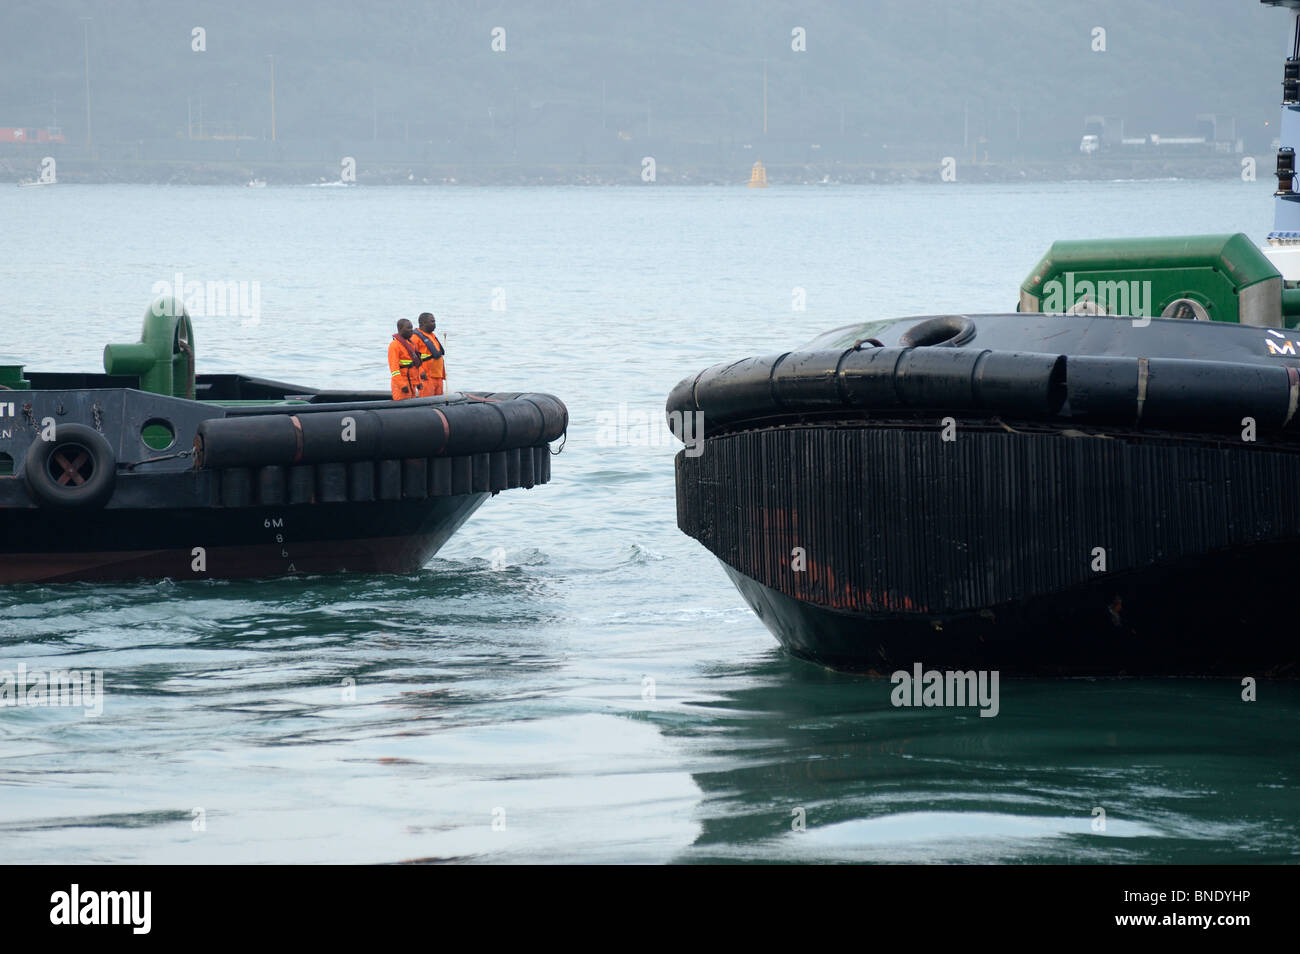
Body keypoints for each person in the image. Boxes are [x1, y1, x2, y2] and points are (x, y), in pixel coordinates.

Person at [411, 312, 446, 396]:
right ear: (423, 323)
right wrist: (420, 371)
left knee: (439, 401)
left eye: (434, 321)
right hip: (426, 377)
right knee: (427, 401)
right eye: (432, 321)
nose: (434, 324)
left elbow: (438, 356)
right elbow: (411, 357)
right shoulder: (415, 338)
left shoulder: (432, 336)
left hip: (438, 376)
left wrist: (443, 374)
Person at [387, 319, 423, 400]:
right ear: (400, 329)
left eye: (411, 328)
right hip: (402, 385)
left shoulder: (410, 344)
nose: (411, 330)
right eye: (408, 328)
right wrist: (402, 385)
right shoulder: (394, 345)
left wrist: (418, 382)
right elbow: (394, 369)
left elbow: (415, 366)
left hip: (412, 384)